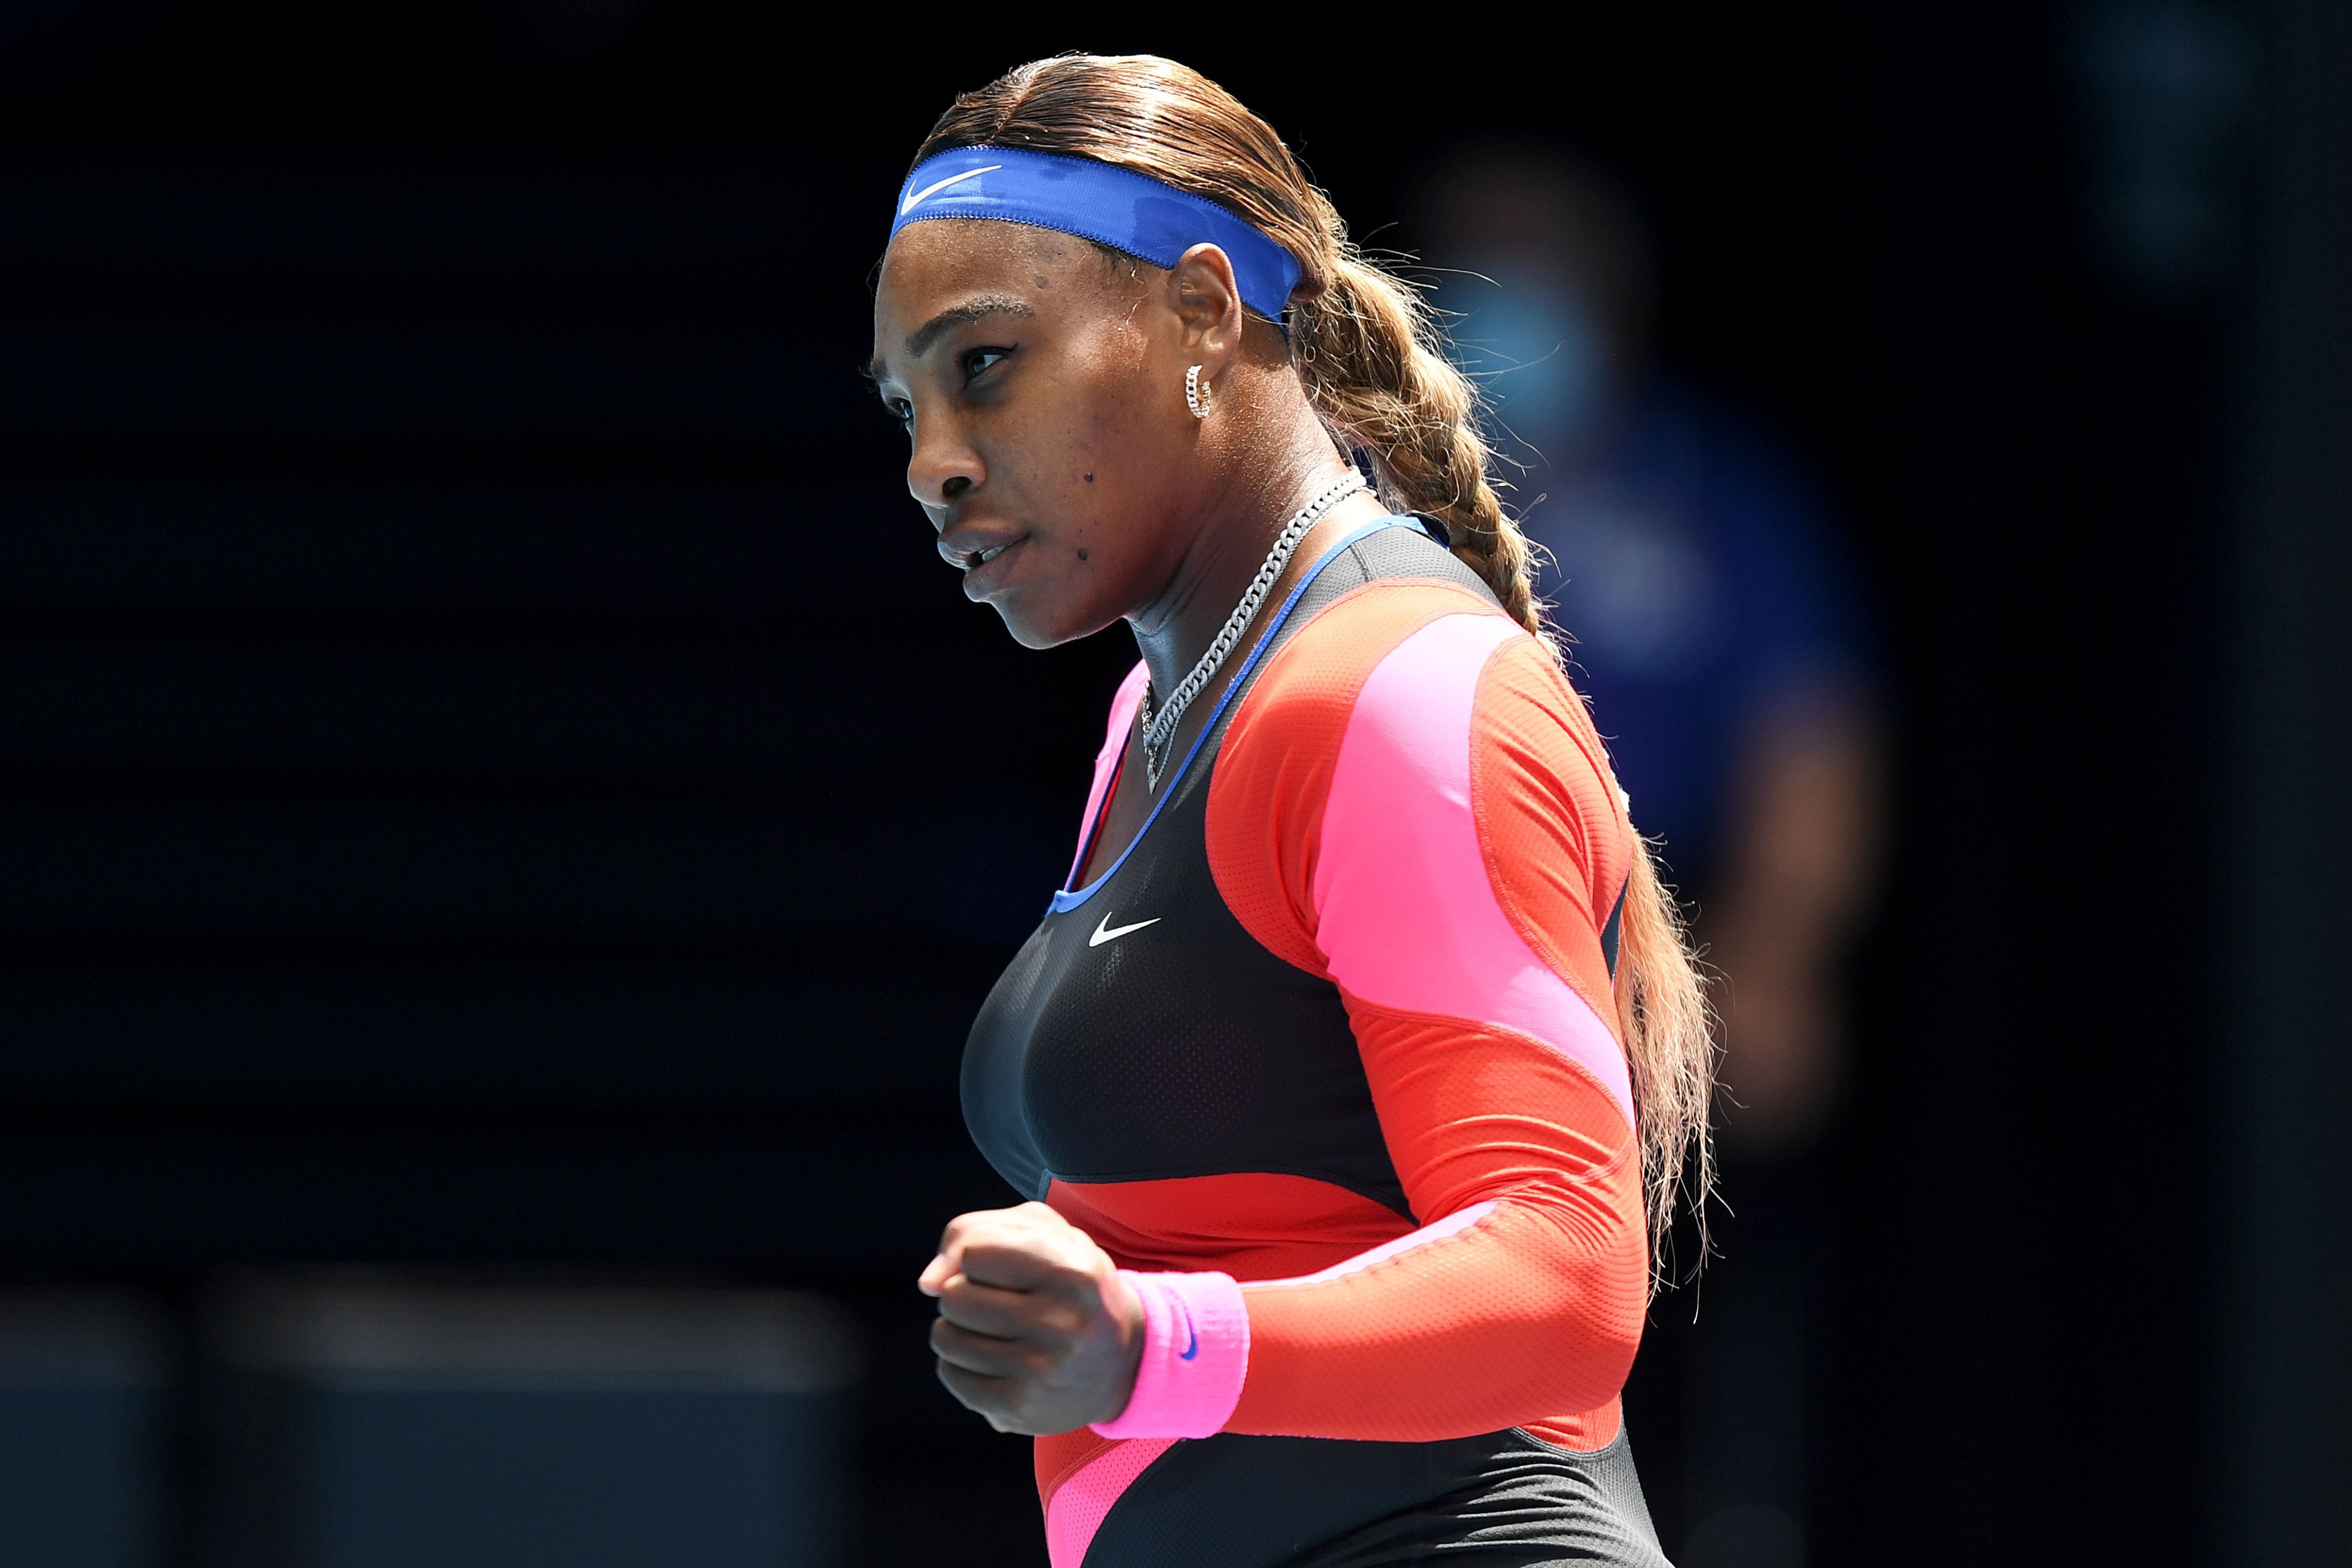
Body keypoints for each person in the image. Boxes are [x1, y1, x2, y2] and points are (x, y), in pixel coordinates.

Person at [869, 56, 1715, 1568]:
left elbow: (1566, 1276)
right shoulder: (1164, 706)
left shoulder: (1392, 689)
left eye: (983, 363)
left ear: (1203, 313)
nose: (933, 461)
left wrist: (1150, 1345)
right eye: (904, 405)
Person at [1413, 151, 1884, 1567]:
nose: (1498, 299)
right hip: (1427, 948)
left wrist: (1776, 957)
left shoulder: (1717, 493)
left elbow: (1810, 741)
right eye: (1467, 264)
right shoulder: (1369, 490)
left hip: (1659, 957)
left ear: (1609, 293)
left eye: (1530, 262)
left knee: (1685, 1348)